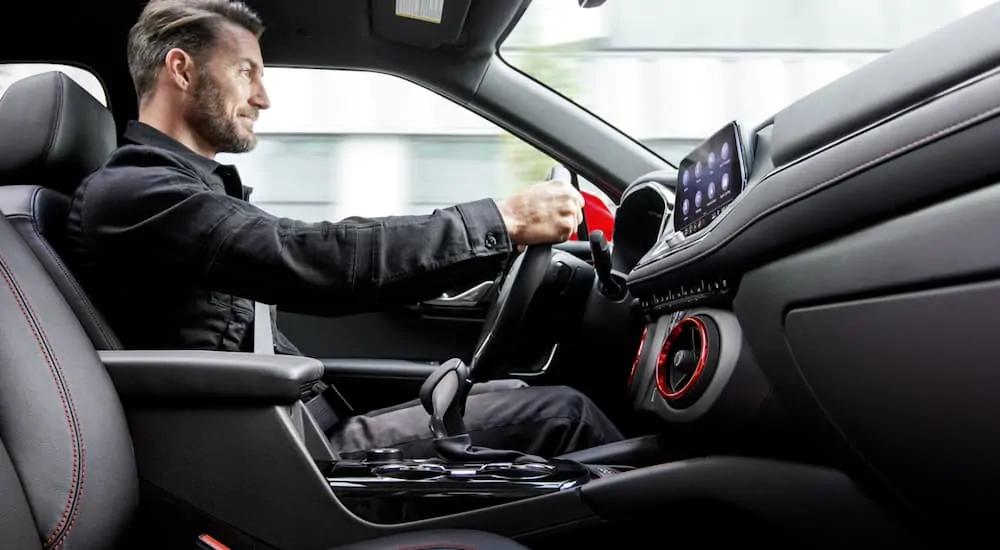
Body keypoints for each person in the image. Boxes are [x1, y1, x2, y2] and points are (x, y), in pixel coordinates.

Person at [64, 0, 623, 459]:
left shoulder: (182, 191)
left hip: (291, 429)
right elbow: (314, 258)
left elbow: (304, 255)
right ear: (181, 70)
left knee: (524, 396)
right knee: (563, 414)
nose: (263, 97)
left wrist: (487, 257)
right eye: (245, 72)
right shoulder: (136, 195)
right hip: (277, 456)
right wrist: (503, 221)